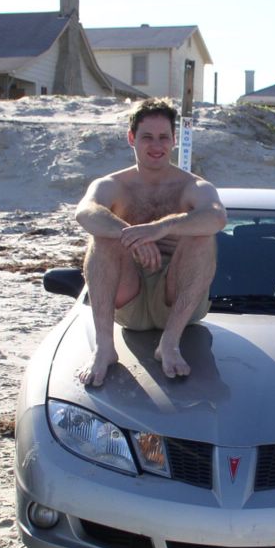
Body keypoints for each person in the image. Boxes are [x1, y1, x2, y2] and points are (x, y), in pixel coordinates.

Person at [74, 98, 226, 386]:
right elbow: (85, 212)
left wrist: (160, 228)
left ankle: (169, 343)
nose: (156, 145)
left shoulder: (193, 186)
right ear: (131, 138)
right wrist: (131, 235)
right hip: (129, 296)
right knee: (103, 237)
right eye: (147, 137)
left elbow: (217, 217)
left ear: (174, 140)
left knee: (201, 236)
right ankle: (104, 348)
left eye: (163, 137)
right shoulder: (112, 184)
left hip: (178, 300)